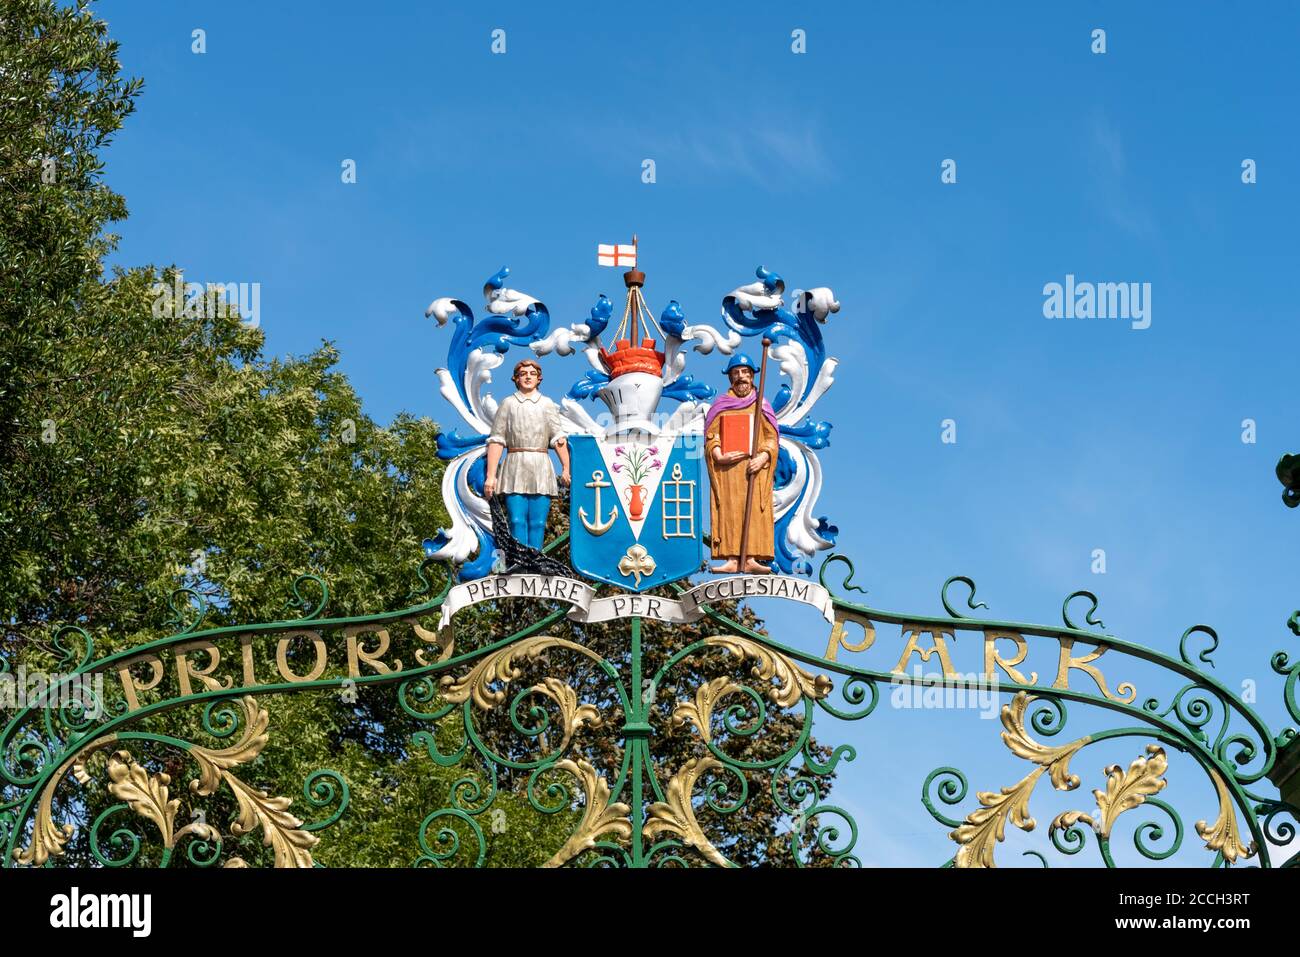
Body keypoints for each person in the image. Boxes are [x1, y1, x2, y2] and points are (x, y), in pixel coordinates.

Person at [483, 359, 570, 550]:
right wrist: (491, 476)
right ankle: (519, 559)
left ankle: (535, 559)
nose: (528, 377)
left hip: (540, 464)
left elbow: (558, 438)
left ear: (539, 378)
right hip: (515, 463)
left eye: (532, 373)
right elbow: (497, 440)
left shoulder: (547, 404)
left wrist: (565, 468)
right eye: (523, 374)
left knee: (538, 522)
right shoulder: (508, 404)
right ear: (516, 379)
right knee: (516, 519)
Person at [704, 353, 778, 573]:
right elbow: (711, 434)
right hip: (728, 471)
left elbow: (772, 438)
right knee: (729, 510)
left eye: (745, 372)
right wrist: (718, 454)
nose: (741, 377)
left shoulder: (761, 404)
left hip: (754, 469)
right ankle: (732, 558)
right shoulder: (721, 405)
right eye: (736, 373)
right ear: (730, 378)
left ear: (753, 376)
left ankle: (752, 557)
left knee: (753, 510)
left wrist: (763, 457)